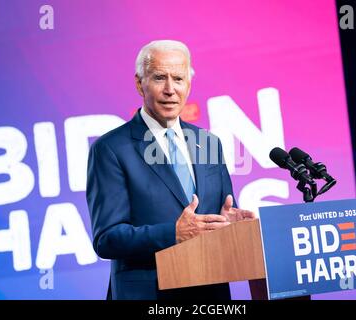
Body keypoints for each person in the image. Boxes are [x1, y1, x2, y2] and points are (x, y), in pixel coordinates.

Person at [86, 40, 255, 300]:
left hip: (209, 292)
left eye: (178, 78)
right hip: (148, 293)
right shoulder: (110, 149)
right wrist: (173, 233)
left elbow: (219, 212)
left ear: (189, 83)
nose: (170, 89)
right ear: (139, 83)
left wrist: (229, 225)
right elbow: (107, 238)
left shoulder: (208, 142)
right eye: (159, 78)